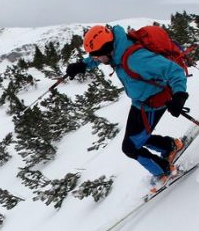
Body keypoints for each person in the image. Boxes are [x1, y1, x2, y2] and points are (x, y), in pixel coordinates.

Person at [66, 24, 189, 187]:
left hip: (153, 103)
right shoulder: (117, 48)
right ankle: (170, 146)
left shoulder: (136, 59)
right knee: (134, 140)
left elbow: (174, 71)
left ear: (108, 50)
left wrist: (179, 95)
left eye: (97, 57)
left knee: (130, 147)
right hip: (140, 102)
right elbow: (97, 58)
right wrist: (82, 65)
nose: (96, 60)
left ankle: (164, 171)